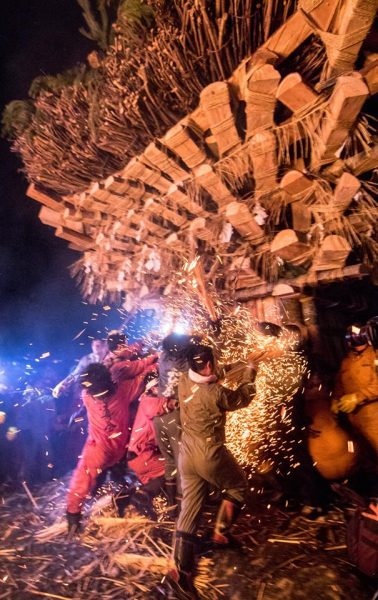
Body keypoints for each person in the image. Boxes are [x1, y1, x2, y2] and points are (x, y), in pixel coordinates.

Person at [169, 345, 256, 599]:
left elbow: (213, 376)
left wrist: (237, 365)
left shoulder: (184, 380)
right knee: (237, 486)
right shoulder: (216, 393)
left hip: (186, 454)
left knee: (190, 509)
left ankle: (180, 572)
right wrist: (250, 372)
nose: (213, 366)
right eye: (212, 363)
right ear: (207, 365)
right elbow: (242, 397)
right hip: (210, 454)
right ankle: (221, 533)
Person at [66, 349, 158, 535]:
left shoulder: (92, 396)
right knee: (90, 478)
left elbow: (141, 373)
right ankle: (84, 511)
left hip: (112, 450)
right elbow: (141, 375)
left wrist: (73, 514)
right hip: (111, 449)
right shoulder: (122, 391)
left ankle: (121, 500)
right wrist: (156, 361)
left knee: (89, 478)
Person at [153, 333, 198, 509]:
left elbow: (164, 343)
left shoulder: (163, 358)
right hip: (177, 417)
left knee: (170, 461)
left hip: (160, 416)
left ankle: (171, 505)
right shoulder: (187, 362)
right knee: (182, 463)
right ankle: (182, 508)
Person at [116, 378, 171, 519]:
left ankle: (124, 498)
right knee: (174, 469)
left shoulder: (147, 401)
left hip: (139, 457)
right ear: (152, 388)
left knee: (156, 482)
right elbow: (161, 406)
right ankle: (142, 496)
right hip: (143, 456)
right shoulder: (148, 400)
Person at [332, 323, 378, 457]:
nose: (355, 344)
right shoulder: (346, 361)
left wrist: (357, 397)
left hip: (374, 419)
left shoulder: (375, 356)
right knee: (366, 455)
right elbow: (339, 383)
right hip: (355, 419)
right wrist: (335, 398)